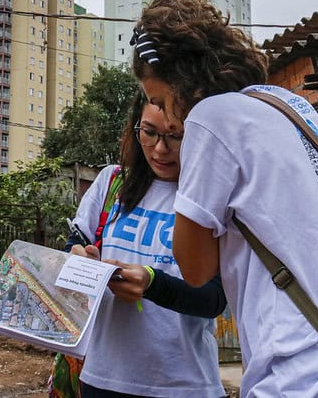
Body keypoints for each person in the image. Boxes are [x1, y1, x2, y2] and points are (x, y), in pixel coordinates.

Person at [130, 0, 318, 398]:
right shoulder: (291, 105)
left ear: (183, 81)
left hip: (299, 373)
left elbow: (196, 268)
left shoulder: (210, 119)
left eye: (159, 101)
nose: (168, 119)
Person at [66, 89, 227, 398]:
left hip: (186, 386)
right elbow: (76, 242)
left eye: (175, 136)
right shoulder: (113, 183)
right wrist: (78, 257)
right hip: (103, 380)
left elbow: (213, 300)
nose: (160, 149)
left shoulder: (211, 197)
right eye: (149, 133)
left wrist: (152, 283)